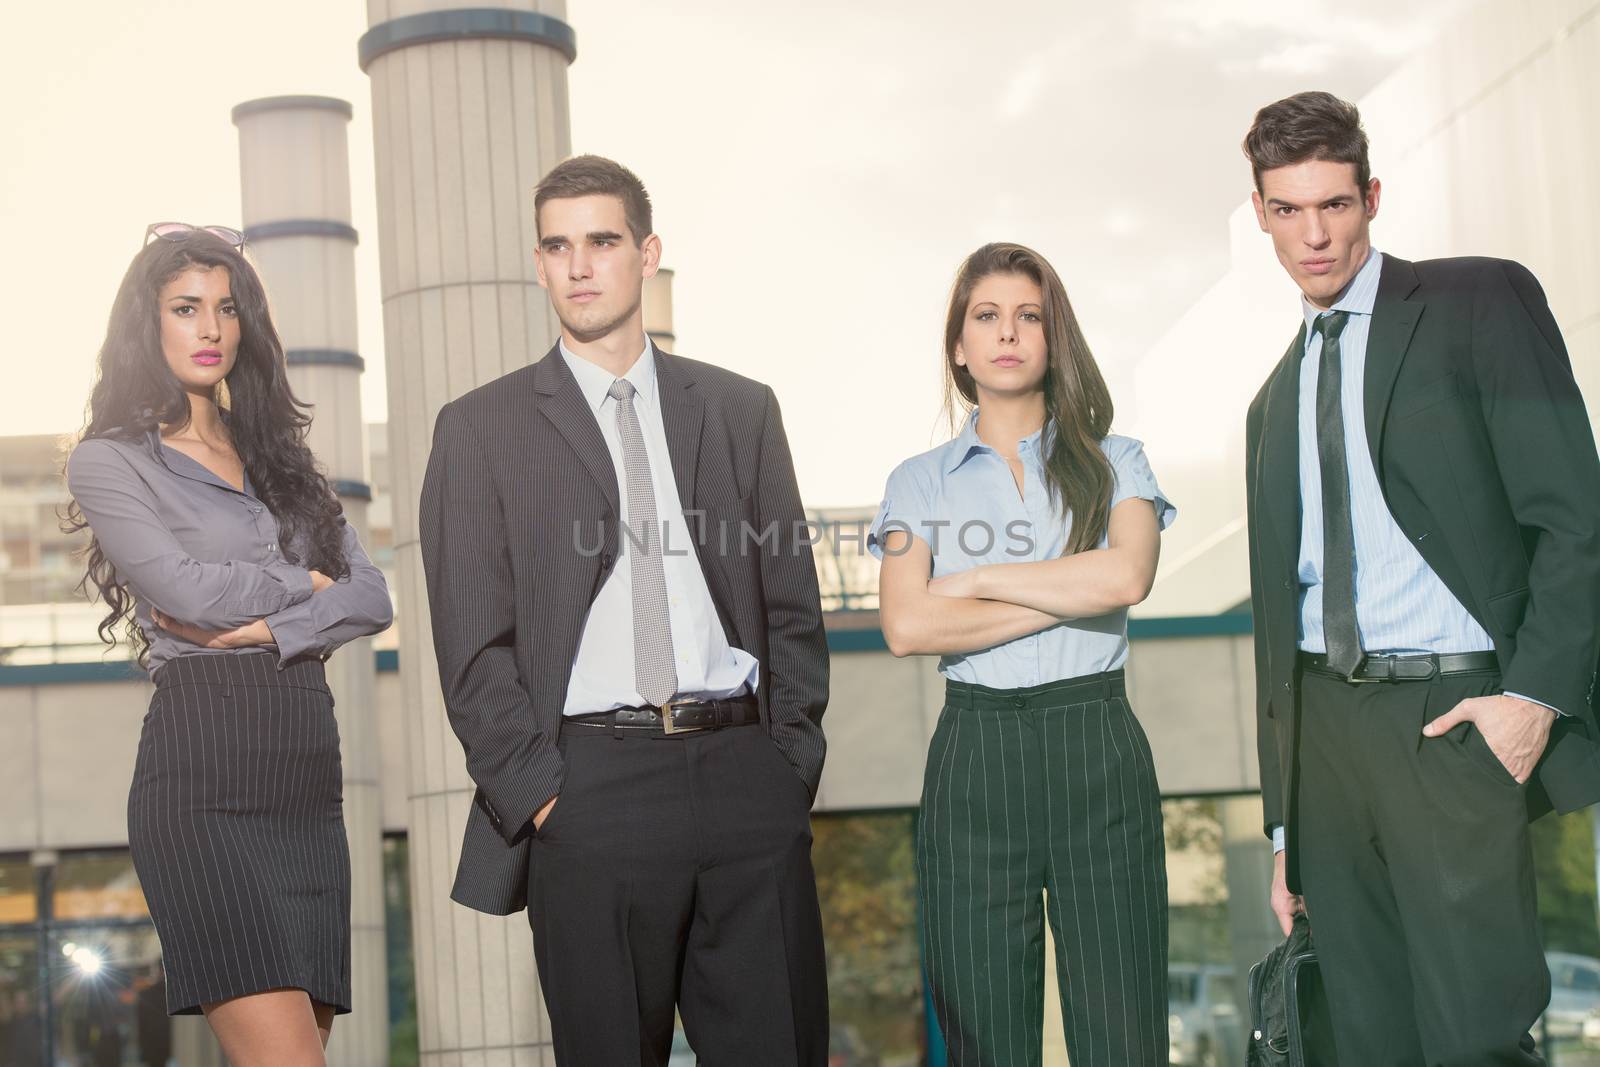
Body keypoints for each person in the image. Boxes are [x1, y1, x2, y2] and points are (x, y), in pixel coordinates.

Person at [419, 155, 829, 1065]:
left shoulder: (739, 410)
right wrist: (545, 796)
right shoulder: (479, 428)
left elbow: (792, 604)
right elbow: (471, 647)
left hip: (743, 776)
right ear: (538, 263)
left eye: (601, 241)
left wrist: (785, 763)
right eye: (558, 246)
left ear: (645, 254)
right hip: (588, 789)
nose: (579, 265)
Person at [1242, 91, 1600, 1065]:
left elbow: (1575, 516)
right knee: (1366, 1043)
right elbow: (1279, 628)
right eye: (1287, 209)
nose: (1313, 234)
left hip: (1449, 717)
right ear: (1261, 214)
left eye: (1334, 204)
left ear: (1371, 196)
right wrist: (1286, 824)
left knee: (1474, 1035)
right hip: (1325, 744)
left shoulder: (1473, 301)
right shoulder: (1269, 404)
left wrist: (1530, 699)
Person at [65, 224, 393, 1067]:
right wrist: (300, 587)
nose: (210, 328)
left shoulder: (282, 460)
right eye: (186, 308)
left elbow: (373, 595)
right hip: (203, 776)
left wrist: (265, 623)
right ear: (151, 323)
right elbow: (179, 590)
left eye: (227, 308)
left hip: (306, 777)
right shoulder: (108, 464)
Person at [870, 242, 1174, 1066]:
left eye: (1029, 315)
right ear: (959, 348)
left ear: (1054, 337)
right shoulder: (917, 481)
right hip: (976, 754)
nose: (1009, 333)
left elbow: (1128, 574)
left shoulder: (1119, 461)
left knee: (1125, 1034)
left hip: (1097, 742)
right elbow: (906, 626)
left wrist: (974, 581)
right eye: (987, 316)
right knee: (986, 1042)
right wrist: (1062, 590)